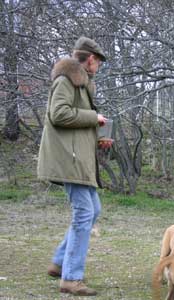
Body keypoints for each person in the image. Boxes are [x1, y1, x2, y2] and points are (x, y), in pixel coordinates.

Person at [37, 36, 112, 296]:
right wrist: (94, 117)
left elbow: (75, 121)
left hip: (77, 159)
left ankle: (59, 263)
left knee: (93, 209)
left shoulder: (81, 84)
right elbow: (58, 114)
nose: (99, 67)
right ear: (90, 59)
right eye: (99, 62)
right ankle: (71, 278)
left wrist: (100, 135)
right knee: (84, 213)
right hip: (68, 160)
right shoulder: (66, 80)